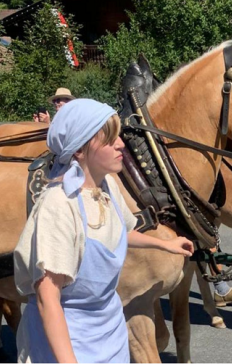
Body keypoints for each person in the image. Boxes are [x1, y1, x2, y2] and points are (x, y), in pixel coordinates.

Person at [14, 99, 194, 363]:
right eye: (110, 140)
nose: (121, 144)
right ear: (79, 151)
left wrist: (165, 244)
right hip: (69, 337)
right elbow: (47, 298)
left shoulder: (106, 186)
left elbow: (117, 233)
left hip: (108, 328)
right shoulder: (59, 205)